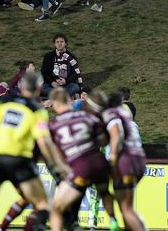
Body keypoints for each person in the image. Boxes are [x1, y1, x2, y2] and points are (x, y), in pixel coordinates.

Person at [0, 73, 64, 231]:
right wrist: (55, 163)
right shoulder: (38, 110)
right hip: (21, 161)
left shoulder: (4, 103)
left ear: (21, 87)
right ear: (38, 89)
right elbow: (43, 141)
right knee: (43, 205)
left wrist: (3, 138)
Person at [48, 88, 117, 231]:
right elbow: (104, 140)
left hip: (80, 166)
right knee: (104, 193)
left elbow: (54, 151)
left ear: (54, 103)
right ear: (69, 101)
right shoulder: (85, 116)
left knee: (56, 209)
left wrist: (64, 167)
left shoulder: (53, 124)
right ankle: (113, 220)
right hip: (99, 162)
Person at [91, 91, 146, 231]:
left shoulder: (112, 117)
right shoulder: (132, 124)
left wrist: (113, 158)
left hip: (123, 164)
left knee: (125, 207)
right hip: (137, 163)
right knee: (125, 206)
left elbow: (114, 138)